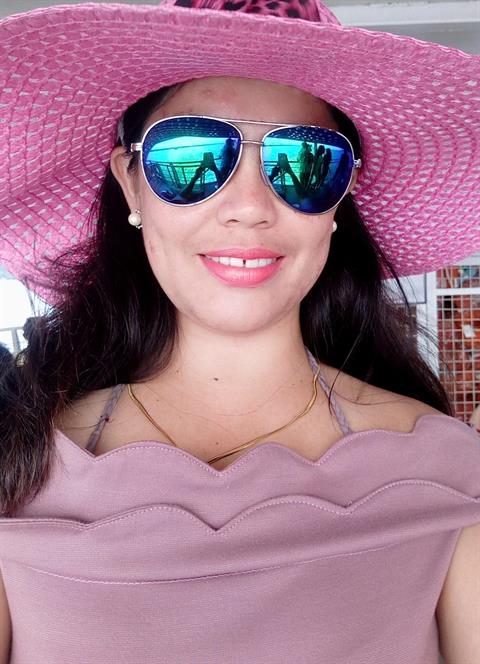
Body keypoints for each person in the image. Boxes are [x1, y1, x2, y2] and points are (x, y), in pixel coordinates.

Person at [0, 1, 479, 662]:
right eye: (192, 155)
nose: (250, 207)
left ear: (341, 199)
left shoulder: (452, 474)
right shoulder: (17, 464)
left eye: (306, 161)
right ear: (131, 186)